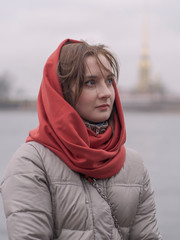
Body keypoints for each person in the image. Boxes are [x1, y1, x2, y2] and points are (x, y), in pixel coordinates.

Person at [0, 39, 162, 239]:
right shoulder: (31, 163)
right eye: (90, 83)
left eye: (109, 81)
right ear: (62, 92)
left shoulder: (133, 164)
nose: (106, 93)